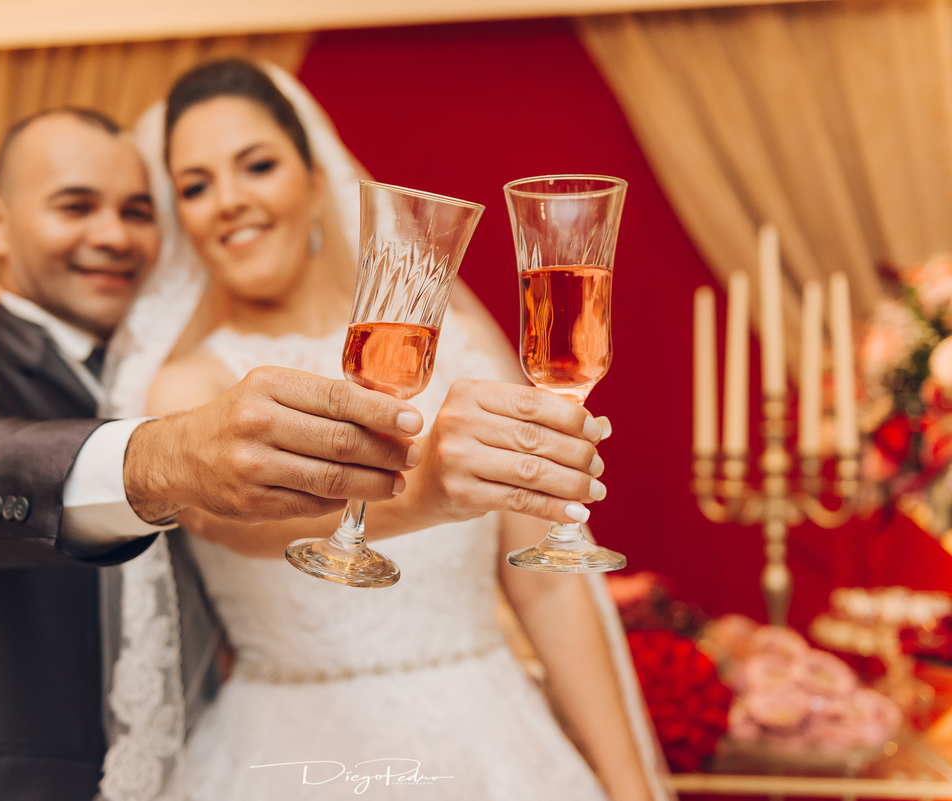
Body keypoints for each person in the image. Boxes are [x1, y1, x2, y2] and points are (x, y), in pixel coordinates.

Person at [103, 60, 669, 801]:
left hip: (490, 738)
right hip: (289, 756)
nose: (230, 200)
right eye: (195, 186)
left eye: (258, 165)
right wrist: (422, 492)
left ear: (316, 180)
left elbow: (546, 590)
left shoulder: (456, 345)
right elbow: (228, 518)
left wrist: (631, 787)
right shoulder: (187, 385)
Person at [0, 107, 434, 801]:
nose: (113, 236)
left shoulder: (176, 370)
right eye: (76, 207)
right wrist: (168, 456)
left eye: (136, 211)